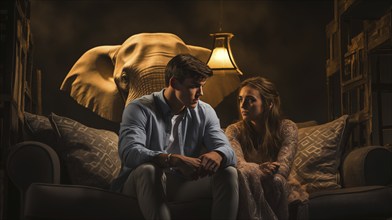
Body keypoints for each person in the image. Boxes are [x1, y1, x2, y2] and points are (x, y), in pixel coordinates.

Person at [111, 54, 239, 220]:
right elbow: (130, 153)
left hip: (181, 185)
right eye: (194, 86)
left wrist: (218, 154)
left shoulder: (205, 112)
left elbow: (229, 152)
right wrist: (172, 159)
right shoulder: (139, 109)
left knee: (229, 172)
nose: (201, 93)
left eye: (202, 86)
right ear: (173, 83)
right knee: (149, 170)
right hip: (138, 184)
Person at [225, 76, 308, 220]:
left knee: (276, 182)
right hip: (247, 180)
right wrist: (257, 169)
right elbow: (239, 163)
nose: (243, 105)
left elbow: (283, 168)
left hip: (277, 182)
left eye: (251, 99)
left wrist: (261, 171)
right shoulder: (233, 130)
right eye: (240, 99)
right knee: (245, 173)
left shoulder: (287, 128)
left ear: (269, 103)